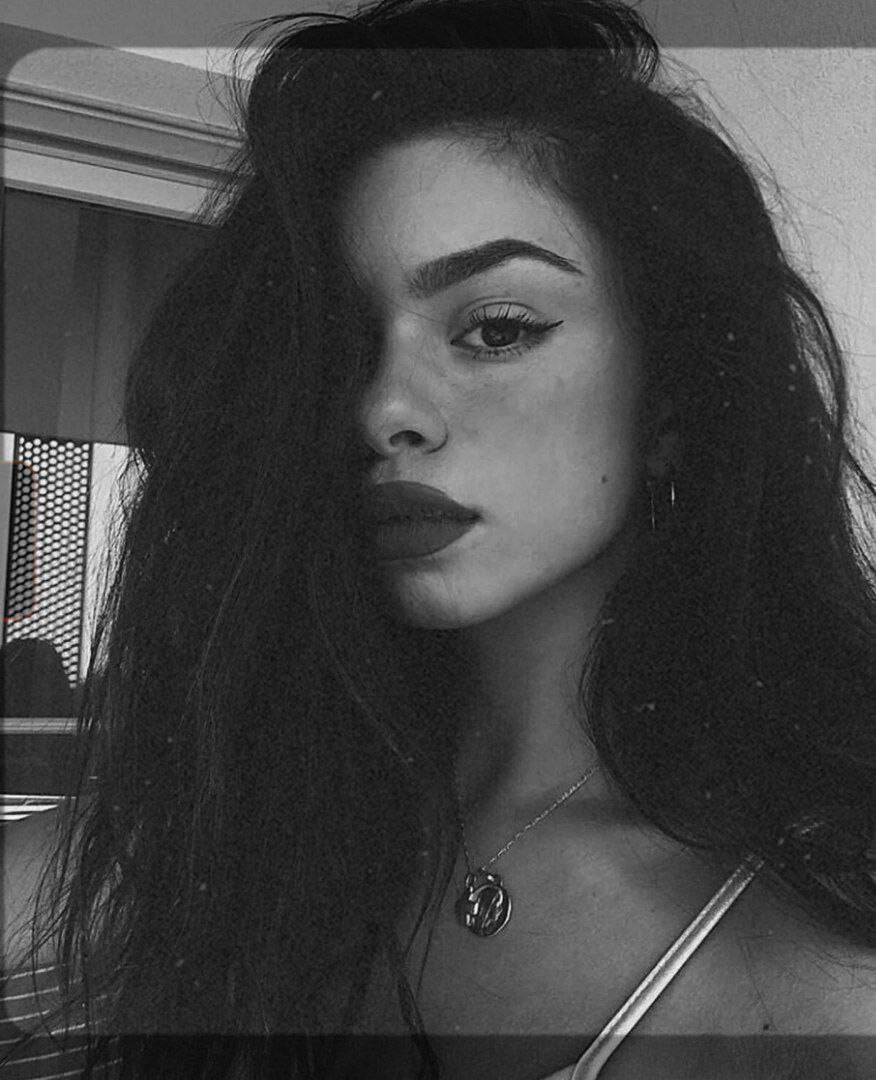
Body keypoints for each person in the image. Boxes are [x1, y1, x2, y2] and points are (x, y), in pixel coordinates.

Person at [4, 0, 876, 1077]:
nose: (383, 410)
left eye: (496, 329)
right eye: (342, 348)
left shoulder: (819, 937)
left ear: (670, 400)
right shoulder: (253, 821)